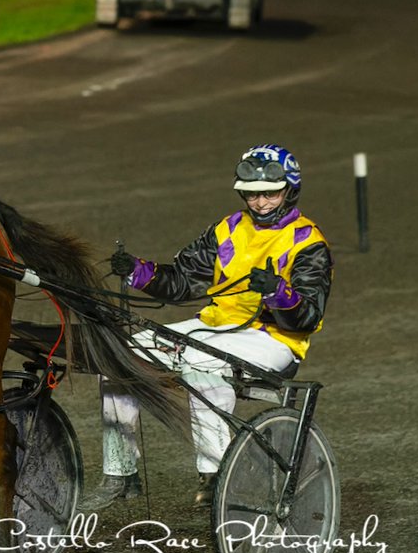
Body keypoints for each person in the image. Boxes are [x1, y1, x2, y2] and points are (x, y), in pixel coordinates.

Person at [81, 143, 333, 511]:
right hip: (216, 326)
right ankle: (120, 473)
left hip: (274, 339)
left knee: (202, 365)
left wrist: (278, 293)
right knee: (120, 356)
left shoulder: (310, 243)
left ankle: (214, 475)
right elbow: (182, 282)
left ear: (289, 190)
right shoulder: (226, 230)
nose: (260, 203)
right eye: (251, 195)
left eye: (270, 193)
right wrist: (137, 271)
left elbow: (307, 316)